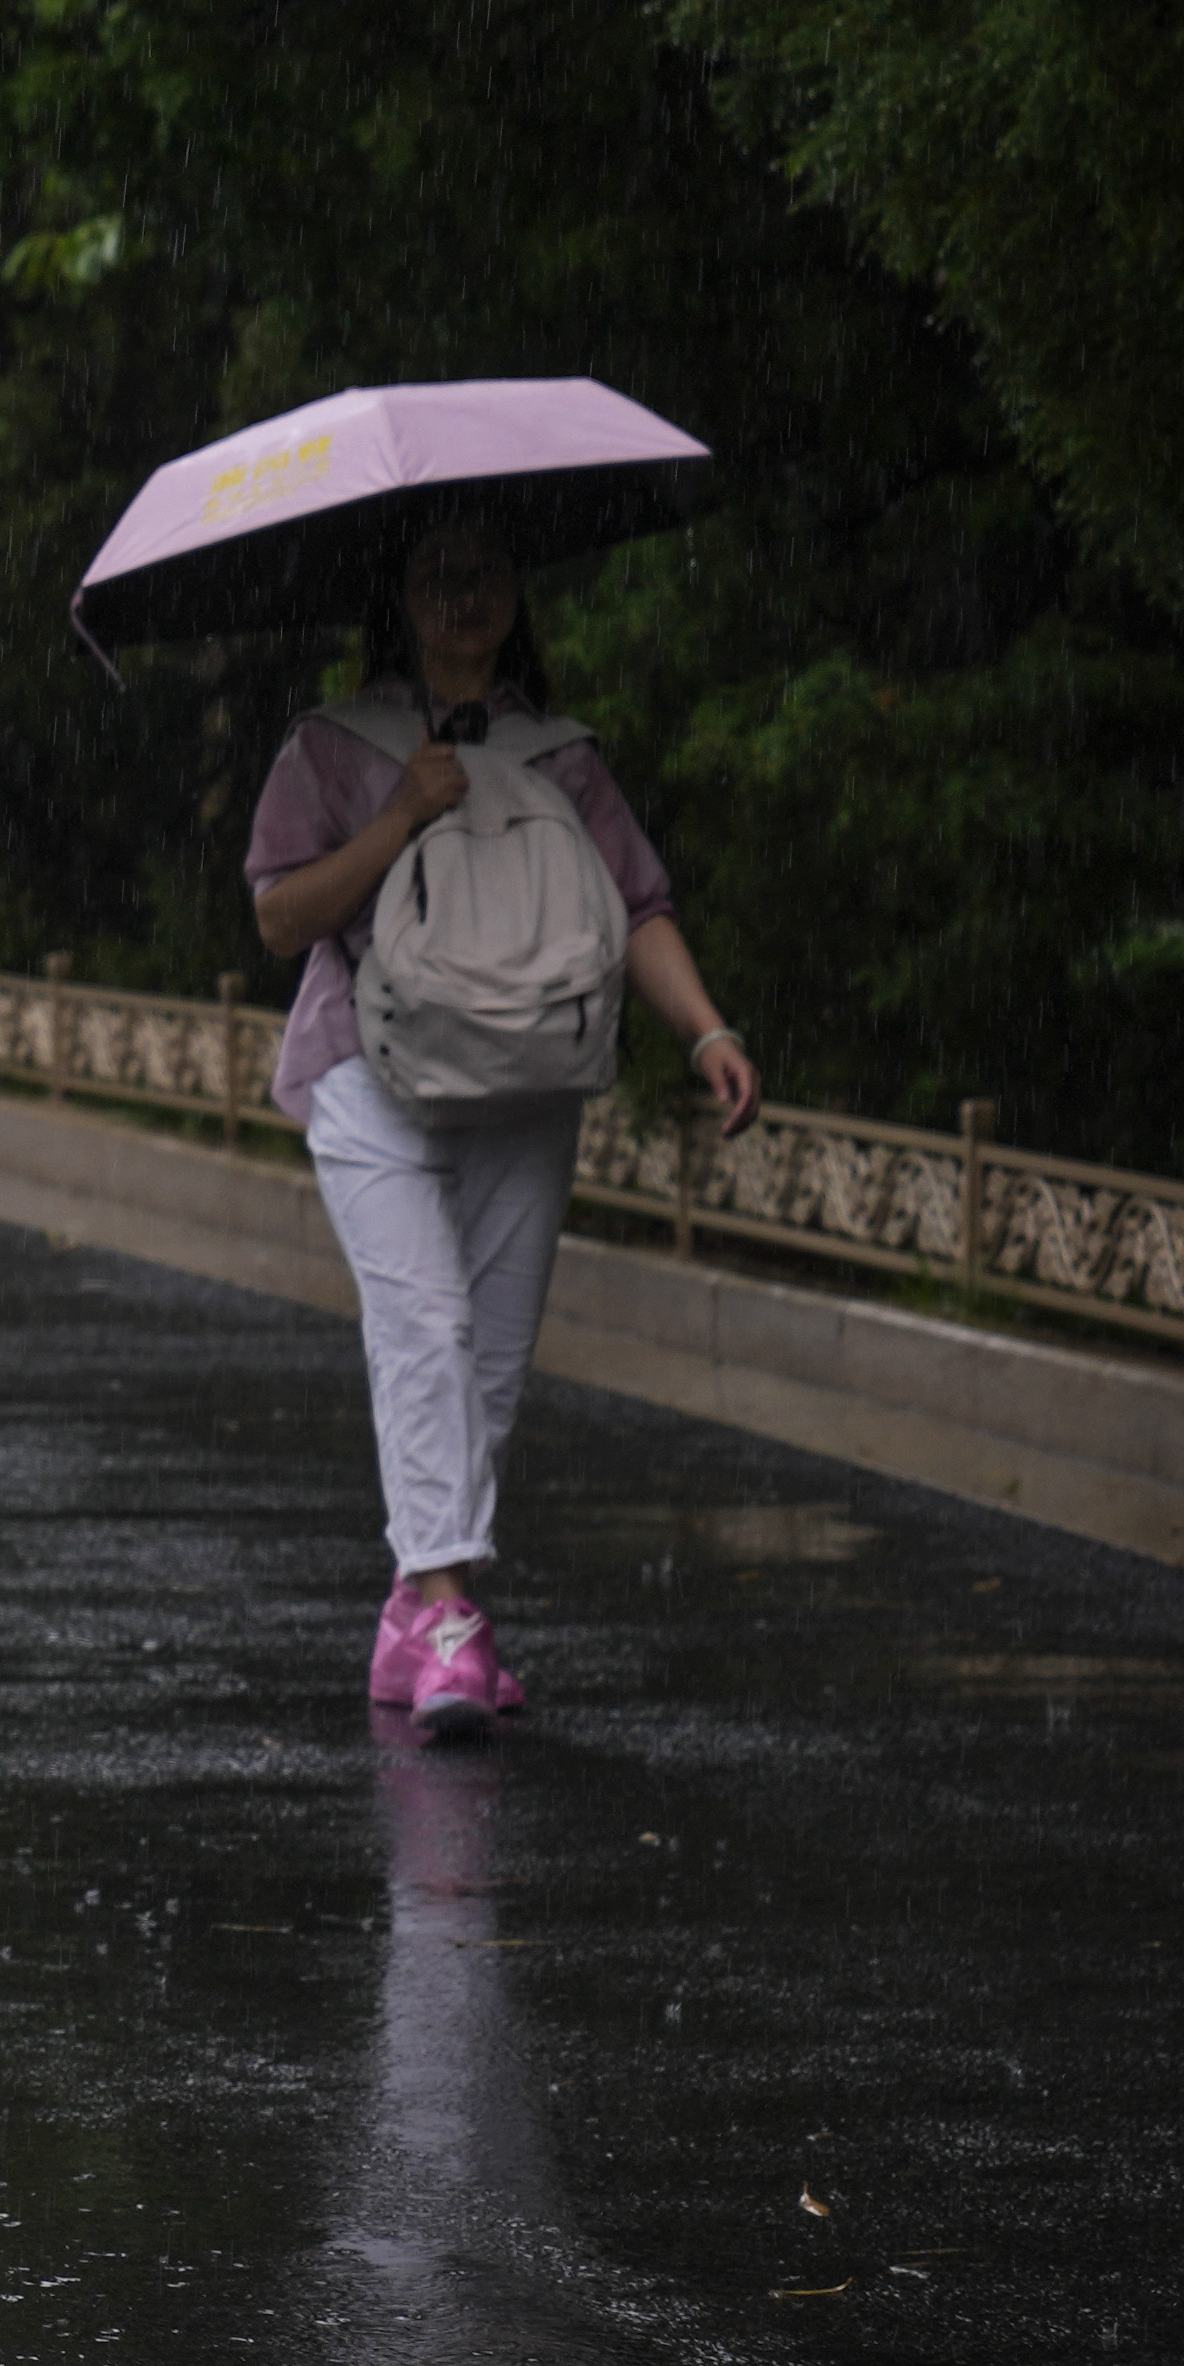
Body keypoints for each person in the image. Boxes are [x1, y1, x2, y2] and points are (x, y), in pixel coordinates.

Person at [246, 504, 760, 1736]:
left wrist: (706, 1029)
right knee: (420, 1324)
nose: (462, 597)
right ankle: (455, 1628)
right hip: (371, 1074)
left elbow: (637, 906)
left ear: (518, 594)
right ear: (401, 599)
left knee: (487, 1364)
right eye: (437, 576)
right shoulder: (334, 743)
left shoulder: (562, 756)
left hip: (529, 1081)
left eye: (484, 574)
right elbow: (278, 914)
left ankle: (413, 1610)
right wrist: (399, 814)